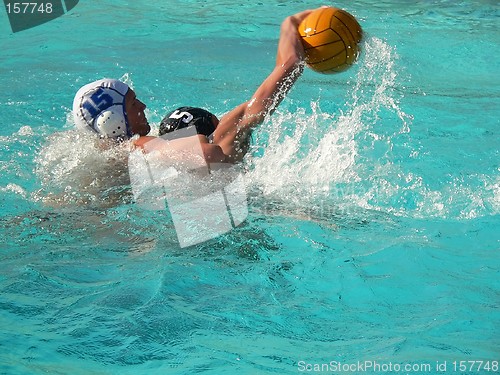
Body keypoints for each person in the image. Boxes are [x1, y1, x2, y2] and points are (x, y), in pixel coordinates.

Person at [73, 8, 318, 163]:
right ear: (113, 121)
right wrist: (289, 28)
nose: (144, 105)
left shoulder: (93, 154)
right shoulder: (137, 146)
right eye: (134, 103)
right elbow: (209, 152)